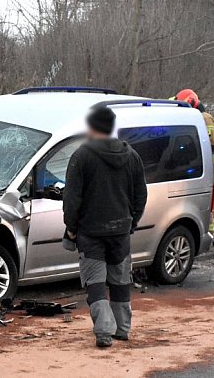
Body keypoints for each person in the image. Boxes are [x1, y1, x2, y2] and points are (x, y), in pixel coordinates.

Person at [63, 105, 147, 348]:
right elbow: (141, 195)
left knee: (95, 283)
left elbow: (72, 198)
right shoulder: (132, 156)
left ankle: (103, 332)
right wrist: (132, 221)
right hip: (121, 231)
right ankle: (122, 329)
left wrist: (71, 228)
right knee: (120, 281)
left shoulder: (81, 156)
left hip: (90, 232)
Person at [170, 89, 214, 248]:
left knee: (210, 197)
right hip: (203, 164)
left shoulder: (205, 118)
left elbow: (211, 143)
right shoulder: (196, 118)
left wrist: (188, 148)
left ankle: (210, 235)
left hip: (212, 164)